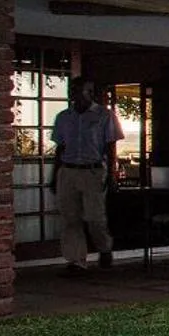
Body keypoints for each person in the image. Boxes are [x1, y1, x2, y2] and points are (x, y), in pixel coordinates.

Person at [49, 78, 123, 273]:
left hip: (93, 170)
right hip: (68, 169)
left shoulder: (104, 116)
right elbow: (60, 148)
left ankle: (104, 248)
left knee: (94, 216)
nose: (74, 94)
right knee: (70, 218)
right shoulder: (63, 117)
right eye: (72, 90)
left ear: (90, 92)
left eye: (79, 90)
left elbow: (110, 147)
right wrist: (54, 175)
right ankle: (76, 260)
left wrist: (112, 175)